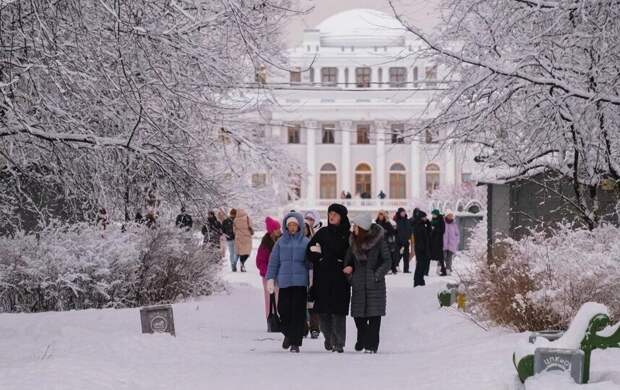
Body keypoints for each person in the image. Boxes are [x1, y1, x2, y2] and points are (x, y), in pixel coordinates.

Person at [306, 203, 351, 353]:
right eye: (330, 213)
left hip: (340, 278)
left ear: (342, 217)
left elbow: (352, 254)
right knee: (323, 311)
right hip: (322, 277)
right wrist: (318, 257)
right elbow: (310, 250)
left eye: (335, 214)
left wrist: (348, 265)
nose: (331, 216)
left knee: (338, 312)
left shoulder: (347, 235)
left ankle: (339, 343)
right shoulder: (322, 232)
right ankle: (329, 338)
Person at [344, 212, 391, 353]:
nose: (353, 228)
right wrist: (350, 277)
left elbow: (387, 260)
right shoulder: (352, 242)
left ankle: (372, 345)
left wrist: (376, 275)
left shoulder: (379, 241)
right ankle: (362, 338)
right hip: (358, 283)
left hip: (374, 284)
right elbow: (348, 262)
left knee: (374, 317)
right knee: (359, 317)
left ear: (362, 227)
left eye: (356, 226)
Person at [266, 212, 311, 353]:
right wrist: (270, 278)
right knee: (284, 311)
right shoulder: (280, 242)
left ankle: (295, 342)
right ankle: (288, 334)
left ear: (299, 226)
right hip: (285, 282)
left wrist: (312, 277)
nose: (292, 227)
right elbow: (273, 262)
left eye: (294, 225)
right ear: (286, 226)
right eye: (289, 225)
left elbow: (310, 263)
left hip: (300, 283)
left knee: (298, 313)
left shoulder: (305, 242)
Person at [256, 217, 282, 321]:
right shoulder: (265, 244)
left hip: (280, 275)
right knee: (269, 298)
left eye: (279, 228)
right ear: (272, 231)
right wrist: (269, 272)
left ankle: (280, 318)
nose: (279, 231)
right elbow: (260, 261)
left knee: (279, 298)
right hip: (267, 276)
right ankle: (270, 319)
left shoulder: (283, 240)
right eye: (277, 229)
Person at [303, 214, 321, 340]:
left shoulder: (315, 241)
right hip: (300, 274)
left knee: (313, 302)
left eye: (306, 228)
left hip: (313, 273)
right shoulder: (296, 242)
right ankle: (303, 327)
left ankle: (315, 328)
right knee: (301, 302)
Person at [412, 208, 431, 287]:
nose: (426, 218)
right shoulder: (418, 225)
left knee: (422, 265)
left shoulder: (422, 224)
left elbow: (429, 233)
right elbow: (420, 238)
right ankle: (418, 281)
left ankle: (420, 280)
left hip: (423, 248)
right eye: (424, 217)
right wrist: (422, 248)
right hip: (421, 249)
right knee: (420, 265)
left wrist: (428, 223)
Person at [394, 208, 412, 273]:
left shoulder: (407, 220)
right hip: (399, 242)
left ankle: (406, 269)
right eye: (402, 212)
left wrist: (409, 237)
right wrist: (400, 240)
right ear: (399, 213)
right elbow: (396, 232)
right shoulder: (396, 221)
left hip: (406, 241)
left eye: (404, 212)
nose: (403, 213)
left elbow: (410, 230)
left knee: (406, 256)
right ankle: (395, 266)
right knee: (398, 255)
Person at [430, 209, 447, 276]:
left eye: (434, 214)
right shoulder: (432, 220)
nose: (433, 215)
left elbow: (443, 230)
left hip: (439, 241)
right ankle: (441, 270)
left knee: (440, 257)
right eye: (432, 214)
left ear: (437, 214)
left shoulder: (441, 220)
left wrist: (435, 229)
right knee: (437, 257)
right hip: (433, 241)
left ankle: (443, 270)